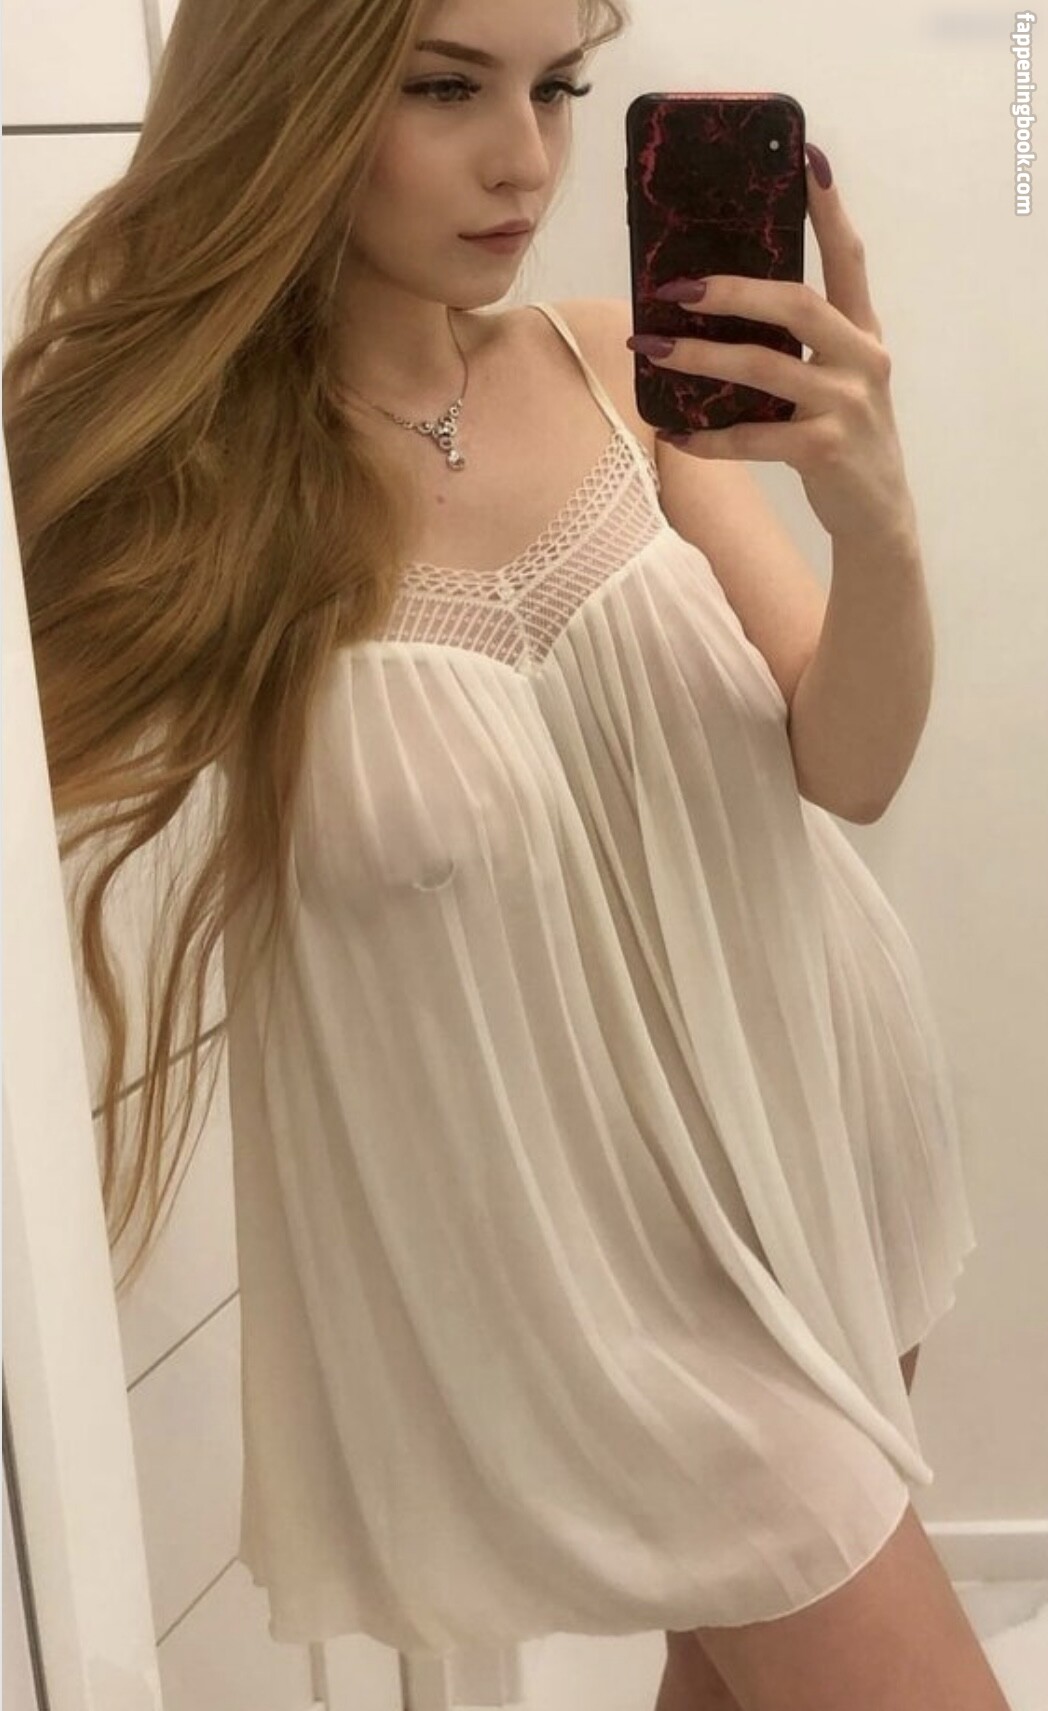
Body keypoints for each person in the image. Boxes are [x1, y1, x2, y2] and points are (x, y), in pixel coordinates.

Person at [2, 0, 1009, 1705]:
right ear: (293, 95)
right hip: (593, 1275)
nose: (525, 160)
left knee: (735, 1674)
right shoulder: (191, 499)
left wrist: (877, 519)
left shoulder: (614, 372)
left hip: (820, 1117)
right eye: (445, 87)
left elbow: (849, 768)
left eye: (560, 88)